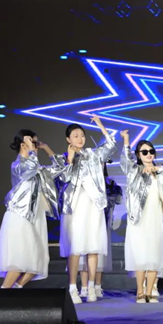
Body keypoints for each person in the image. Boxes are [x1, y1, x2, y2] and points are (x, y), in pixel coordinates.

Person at [0, 130, 68, 287]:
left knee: (37, 262)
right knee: (18, 261)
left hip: (36, 217)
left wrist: (46, 148)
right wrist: (32, 152)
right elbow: (30, 169)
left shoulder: (39, 170)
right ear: (23, 145)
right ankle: (3, 293)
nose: (36, 146)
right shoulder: (17, 166)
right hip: (20, 216)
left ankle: (15, 289)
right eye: (33, 142)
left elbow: (61, 167)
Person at [57, 115, 117, 304]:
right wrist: (70, 160)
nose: (80, 139)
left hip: (92, 205)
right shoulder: (63, 158)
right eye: (75, 136)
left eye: (82, 135)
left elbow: (111, 145)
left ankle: (91, 287)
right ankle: (73, 289)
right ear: (68, 139)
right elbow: (62, 180)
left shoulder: (93, 154)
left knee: (93, 247)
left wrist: (100, 124)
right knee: (75, 248)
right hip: (75, 207)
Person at [121, 130, 163, 303]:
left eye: (151, 151)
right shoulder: (134, 171)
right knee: (141, 255)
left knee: (154, 255)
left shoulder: (161, 173)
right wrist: (126, 141)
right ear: (138, 155)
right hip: (139, 220)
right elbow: (125, 161)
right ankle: (140, 292)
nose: (149, 154)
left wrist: (158, 168)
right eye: (144, 152)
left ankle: (150, 291)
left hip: (155, 218)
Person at [78, 162, 122, 299]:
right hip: (84, 221)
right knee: (83, 254)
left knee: (99, 255)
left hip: (102, 220)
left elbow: (118, 198)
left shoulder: (109, 183)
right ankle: (84, 287)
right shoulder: (83, 179)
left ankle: (97, 286)